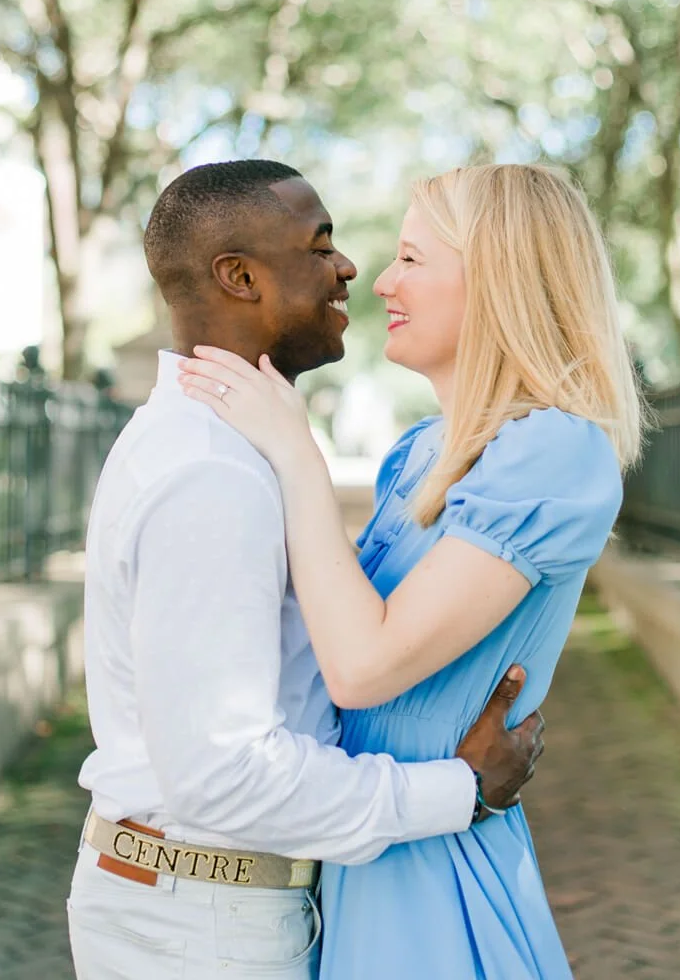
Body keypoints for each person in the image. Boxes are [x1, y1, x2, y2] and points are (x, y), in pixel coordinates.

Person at [67, 160, 545, 980]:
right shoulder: (210, 475)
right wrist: (457, 790)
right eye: (320, 244)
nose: (349, 267)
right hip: (208, 925)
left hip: (200, 906)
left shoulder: (223, 448)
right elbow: (224, 776)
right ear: (240, 277)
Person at [179, 162, 644, 980]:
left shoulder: (555, 450)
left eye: (414, 258)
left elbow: (361, 668)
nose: (382, 280)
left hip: (435, 885)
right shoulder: (419, 455)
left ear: (500, 279)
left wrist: (296, 453)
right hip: (363, 860)